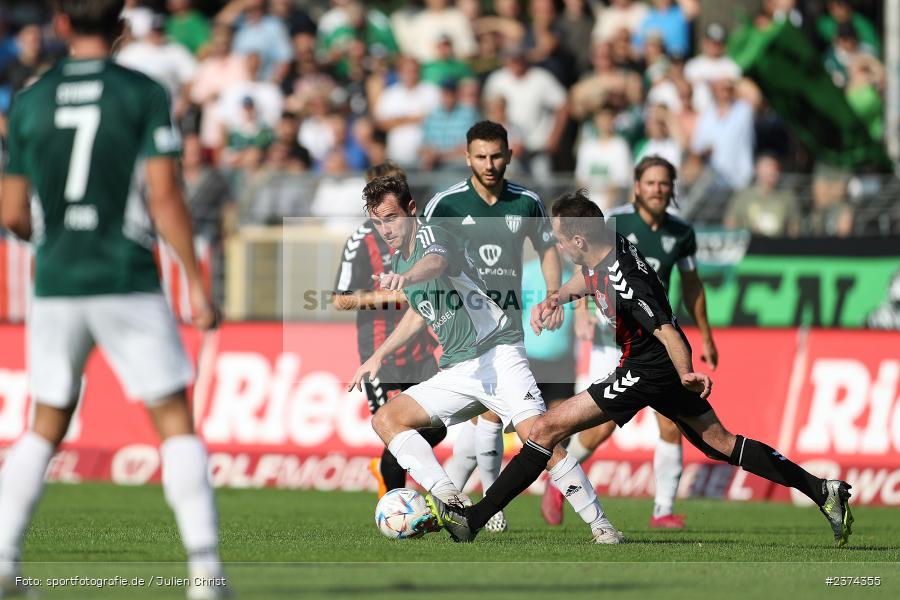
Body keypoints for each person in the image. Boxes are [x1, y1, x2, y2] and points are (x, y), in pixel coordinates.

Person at [425, 190, 854, 547]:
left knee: (542, 431)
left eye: (557, 238)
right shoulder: (602, 246)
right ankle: (823, 491)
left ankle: (473, 520)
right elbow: (587, 279)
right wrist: (558, 297)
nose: (553, 244)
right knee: (721, 443)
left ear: (577, 240)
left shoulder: (624, 277)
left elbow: (668, 331)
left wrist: (687, 372)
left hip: (649, 369)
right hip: (652, 367)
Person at [0, 1, 227, 598]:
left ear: (62, 25)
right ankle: (204, 574)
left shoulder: (28, 100)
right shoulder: (141, 92)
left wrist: (49, 236)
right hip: (125, 274)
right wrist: (197, 285)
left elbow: (12, 214)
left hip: (55, 282)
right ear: (121, 29)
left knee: (43, 423)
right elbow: (165, 196)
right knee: (175, 422)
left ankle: (2, 557)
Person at [348, 176, 622, 544]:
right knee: (386, 420)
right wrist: (379, 356)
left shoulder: (430, 236)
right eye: (377, 221)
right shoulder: (399, 258)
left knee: (541, 440)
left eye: (392, 217)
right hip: (461, 368)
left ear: (412, 211)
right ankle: (449, 496)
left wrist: (407, 276)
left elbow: (434, 264)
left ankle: (602, 526)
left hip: (499, 355)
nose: (386, 228)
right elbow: (419, 312)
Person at [541, 155, 718, 529]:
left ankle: (663, 510)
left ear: (673, 189)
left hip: (654, 338)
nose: (658, 189)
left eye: (664, 183)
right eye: (650, 182)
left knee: (671, 424)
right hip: (612, 337)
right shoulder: (615, 219)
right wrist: (582, 312)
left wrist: (705, 333)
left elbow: (691, 285)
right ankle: (562, 484)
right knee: (601, 426)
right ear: (637, 186)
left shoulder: (682, 232)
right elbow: (584, 260)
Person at [422, 120, 562, 533]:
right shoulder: (445, 204)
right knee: (488, 417)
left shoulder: (526, 202)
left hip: (507, 327)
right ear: (466, 157)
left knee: (486, 420)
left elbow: (548, 250)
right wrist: (436, 320)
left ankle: (447, 500)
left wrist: (553, 294)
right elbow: (425, 262)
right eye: (480, 156)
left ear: (509, 155)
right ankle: (485, 501)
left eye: (496, 155)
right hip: (463, 330)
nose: (489, 163)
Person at [332, 161, 445, 499]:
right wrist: (395, 296)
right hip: (380, 348)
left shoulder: (424, 234)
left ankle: (388, 467)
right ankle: (395, 502)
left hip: (420, 345)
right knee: (396, 429)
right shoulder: (361, 240)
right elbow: (340, 300)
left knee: (437, 425)